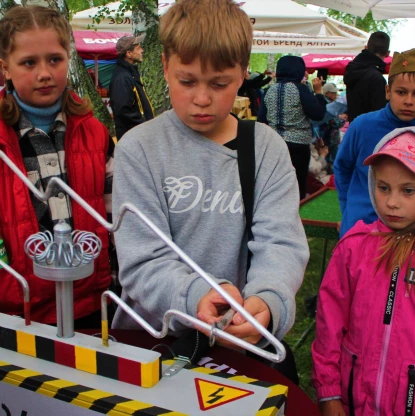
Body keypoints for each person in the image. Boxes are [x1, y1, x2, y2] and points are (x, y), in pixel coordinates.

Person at [111, 0, 308, 361]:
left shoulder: (266, 148)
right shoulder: (138, 149)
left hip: (237, 343)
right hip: (151, 343)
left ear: (244, 72)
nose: (202, 99)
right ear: (166, 67)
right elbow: (141, 262)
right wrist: (198, 293)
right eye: (187, 81)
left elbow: (281, 243)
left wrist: (268, 300)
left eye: (219, 84)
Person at [0, 6, 114, 326]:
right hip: (16, 314)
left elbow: (113, 220)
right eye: (28, 63)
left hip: (92, 308)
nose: (44, 73)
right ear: (4, 68)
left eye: (55, 59)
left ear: (69, 57)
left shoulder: (96, 134)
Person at [313, 127, 415, 416]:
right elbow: (329, 322)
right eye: (383, 187)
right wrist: (329, 393)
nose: (392, 202)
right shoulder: (353, 248)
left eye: (408, 190)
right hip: (351, 402)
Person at [334, 48, 415, 238]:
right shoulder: (362, 126)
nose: (408, 101)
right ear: (388, 91)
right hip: (361, 228)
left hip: (412, 233)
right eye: (401, 92)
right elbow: (342, 168)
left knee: (401, 270)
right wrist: (349, 212)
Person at [258, 55, 326, 199]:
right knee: (297, 185)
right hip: (298, 145)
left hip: (274, 144)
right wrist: (319, 93)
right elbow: (318, 114)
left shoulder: (269, 90)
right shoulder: (300, 89)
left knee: (276, 185)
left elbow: (261, 120)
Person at [109, 34, 154, 139]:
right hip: (133, 138)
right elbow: (124, 111)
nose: (142, 50)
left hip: (140, 135)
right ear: (129, 54)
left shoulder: (131, 73)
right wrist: (144, 126)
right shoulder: (122, 78)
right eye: (138, 48)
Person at [343, 31, 390, 123]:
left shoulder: (352, 71)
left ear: (366, 47)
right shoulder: (377, 78)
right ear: (387, 53)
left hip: (355, 129)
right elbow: (380, 114)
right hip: (372, 131)